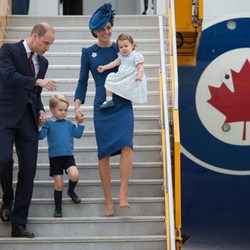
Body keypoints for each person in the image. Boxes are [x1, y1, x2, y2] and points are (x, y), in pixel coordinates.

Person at [74, 3, 134, 216]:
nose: (106, 32)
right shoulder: (88, 53)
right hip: (102, 105)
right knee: (104, 154)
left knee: (127, 145)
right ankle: (108, 200)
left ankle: (123, 194)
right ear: (94, 31)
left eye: (108, 27)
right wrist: (77, 105)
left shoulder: (122, 49)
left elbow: (136, 64)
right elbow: (82, 82)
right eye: (101, 29)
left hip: (123, 102)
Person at [0, 23, 57, 238]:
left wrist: (41, 109)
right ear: (35, 36)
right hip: (4, 116)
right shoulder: (8, 50)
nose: (47, 48)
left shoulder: (43, 62)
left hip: (28, 120)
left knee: (29, 170)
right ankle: (7, 198)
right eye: (46, 43)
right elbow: (8, 76)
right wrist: (37, 81)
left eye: (50, 44)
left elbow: (35, 93)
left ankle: (19, 223)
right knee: (4, 159)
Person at [38, 95, 84, 217]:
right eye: (60, 110)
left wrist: (80, 123)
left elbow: (78, 134)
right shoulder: (49, 124)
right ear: (52, 109)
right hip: (55, 158)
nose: (63, 112)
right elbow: (40, 136)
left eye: (65, 110)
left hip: (68, 157)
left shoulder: (69, 124)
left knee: (74, 175)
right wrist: (40, 125)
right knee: (59, 184)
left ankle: (71, 191)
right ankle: (58, 208)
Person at [97, 32, 147, 109]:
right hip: (122, 76)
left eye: (126, 46)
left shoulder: (136, 56)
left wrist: (139, 76)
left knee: (131, 84)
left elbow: (140, 67)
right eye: (121, 47)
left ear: (132, 45)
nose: (123, 48)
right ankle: (109, 99)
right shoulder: (121, 57)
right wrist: (104, 67)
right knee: (110, 77)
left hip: (131, 77)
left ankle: (127, 95)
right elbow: (114, 63)